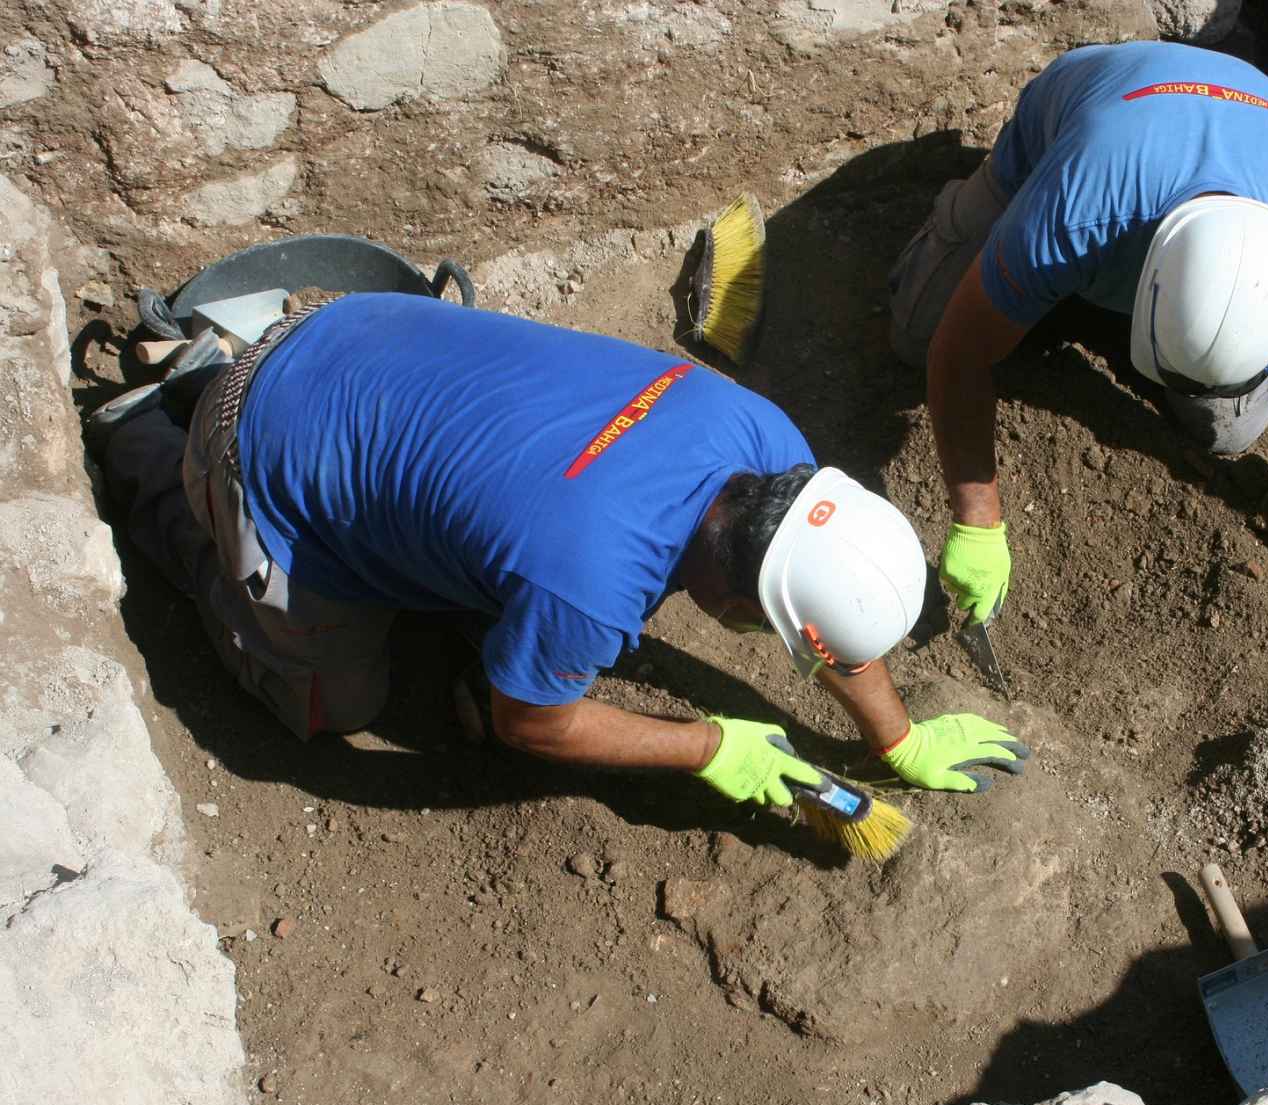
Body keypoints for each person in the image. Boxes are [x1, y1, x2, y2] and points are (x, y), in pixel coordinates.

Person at [85, 292, 1030, 807]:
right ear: (736, 603)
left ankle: (218, 377)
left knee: (491, 548)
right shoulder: (592, 582)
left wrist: (894, 740)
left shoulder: (763, 437)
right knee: (337, 705)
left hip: (352, 321)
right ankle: (147, 448)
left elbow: (819, 609)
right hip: (258, 439)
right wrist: (708, 749)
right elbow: (529, 725)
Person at [888, 40, 1268, 645]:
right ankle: (1014, 257)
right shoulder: (1075, 208)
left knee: (1228, 430)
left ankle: (1065, 295)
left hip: (1240, 129)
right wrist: (977, 522)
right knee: (916, 335)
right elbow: (959, 350)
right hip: (1080, 125)